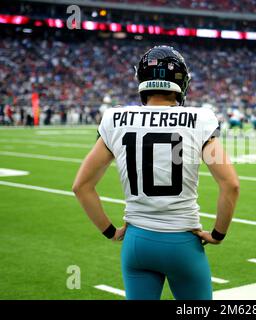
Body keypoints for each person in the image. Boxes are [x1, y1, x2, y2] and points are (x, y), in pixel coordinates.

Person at [72, 46, 240, 300]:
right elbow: (231, 185)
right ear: (180, 82)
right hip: (182, 242)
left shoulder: (115, 118)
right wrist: (217, 234)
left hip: (137, 242)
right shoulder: (200, 118)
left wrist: (110, 231)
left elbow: (81, 186)